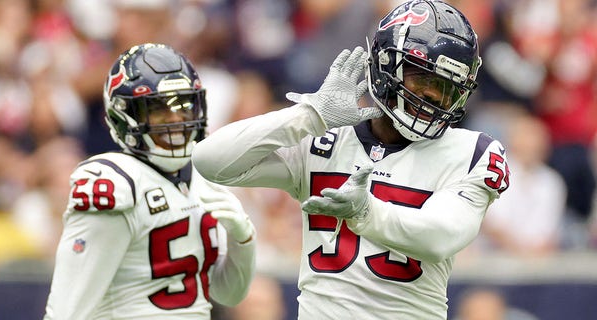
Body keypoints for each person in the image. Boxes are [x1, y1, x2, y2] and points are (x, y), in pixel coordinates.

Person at [192, 1, 510, 319]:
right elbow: (211, 160)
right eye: (423, 80)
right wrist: (310, 114)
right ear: (386, 66)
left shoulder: (471, 151)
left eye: (445, 90)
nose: (431, 98)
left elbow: (440, 236)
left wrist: (365, 212)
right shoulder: (328, 139)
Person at [43, 43, 256, 319]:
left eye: (184, 105)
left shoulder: (204, 177)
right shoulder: (115, 182)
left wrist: (243, 240)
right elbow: (66, 311)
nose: (176, 118)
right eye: (158, 109)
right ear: (125, 116)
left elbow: (228, 293)